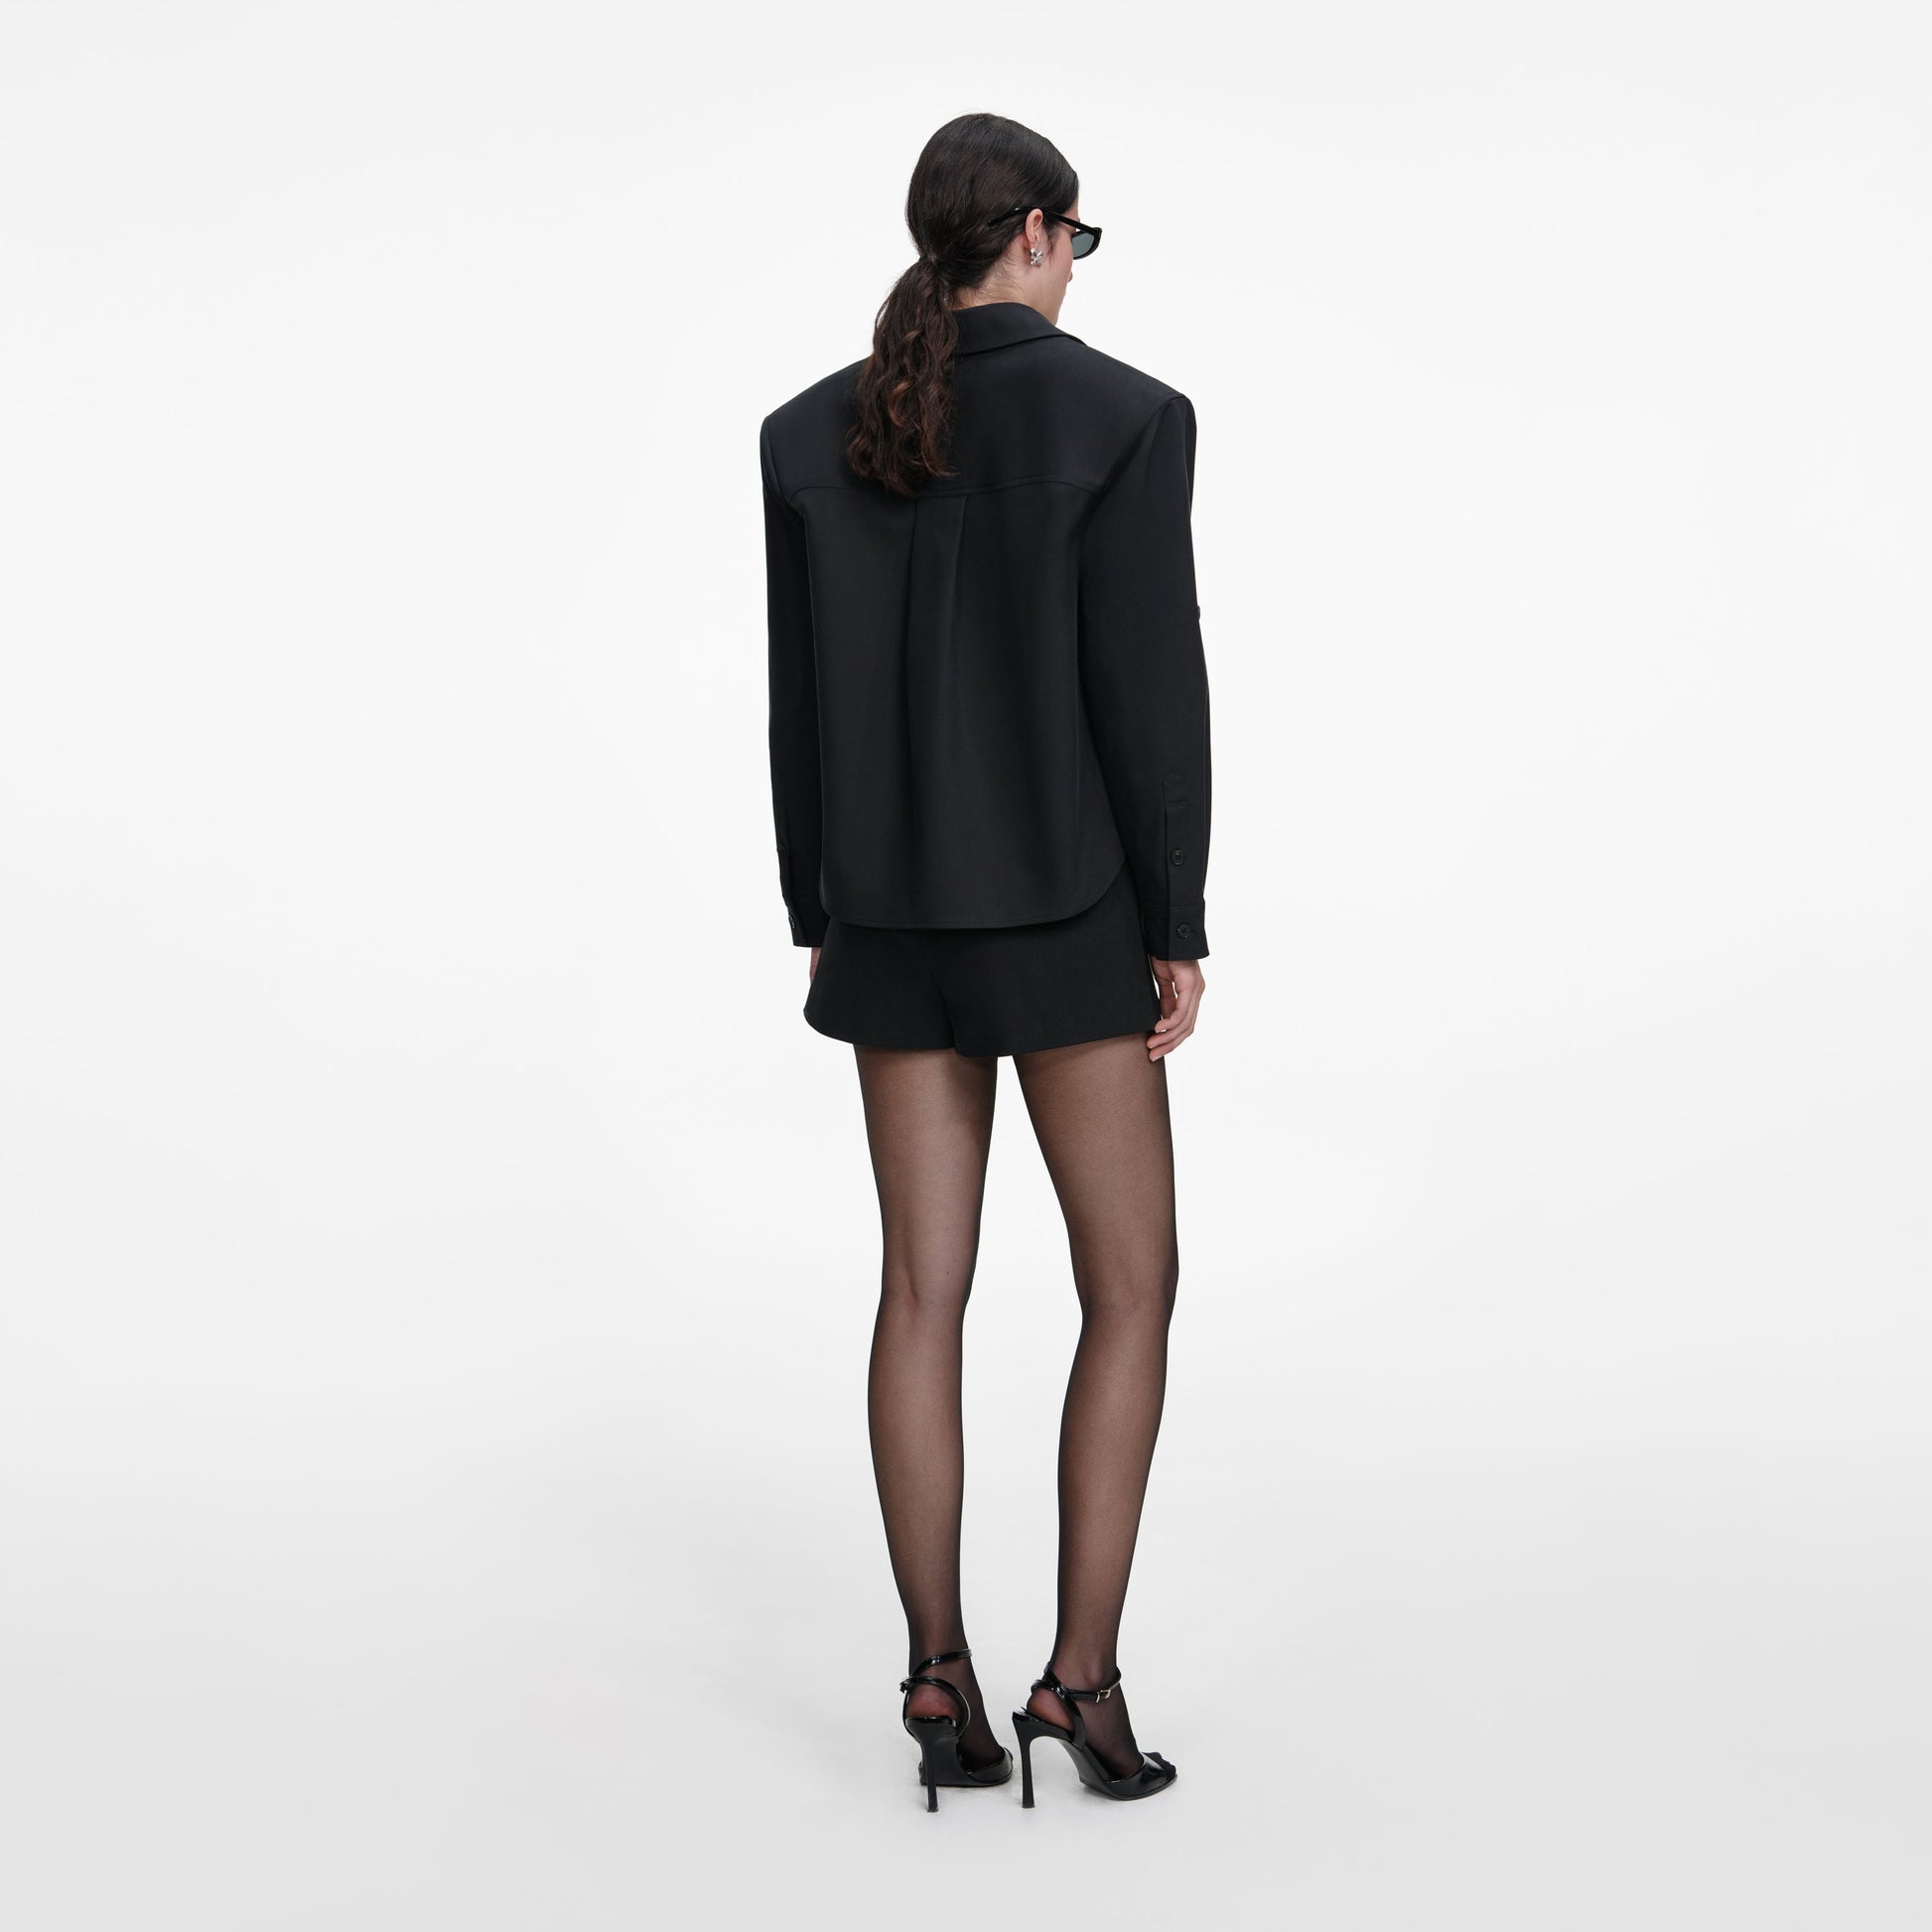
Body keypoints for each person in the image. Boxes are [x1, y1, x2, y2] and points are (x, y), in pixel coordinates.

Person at [759, 111, 1211, 1810]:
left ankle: (934, 1671)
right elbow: (1149, 693)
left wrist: (819, 907)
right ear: (1030, 229)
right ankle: (1077, 1683)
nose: (1071, 266)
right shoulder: (1125, 417)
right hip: (1066, 911)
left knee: (917, 1291)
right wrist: (1174, 920)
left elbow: (797, 702)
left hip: (885, 919)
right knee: (1130, 1286)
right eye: (1071, 239)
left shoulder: (809, 429)